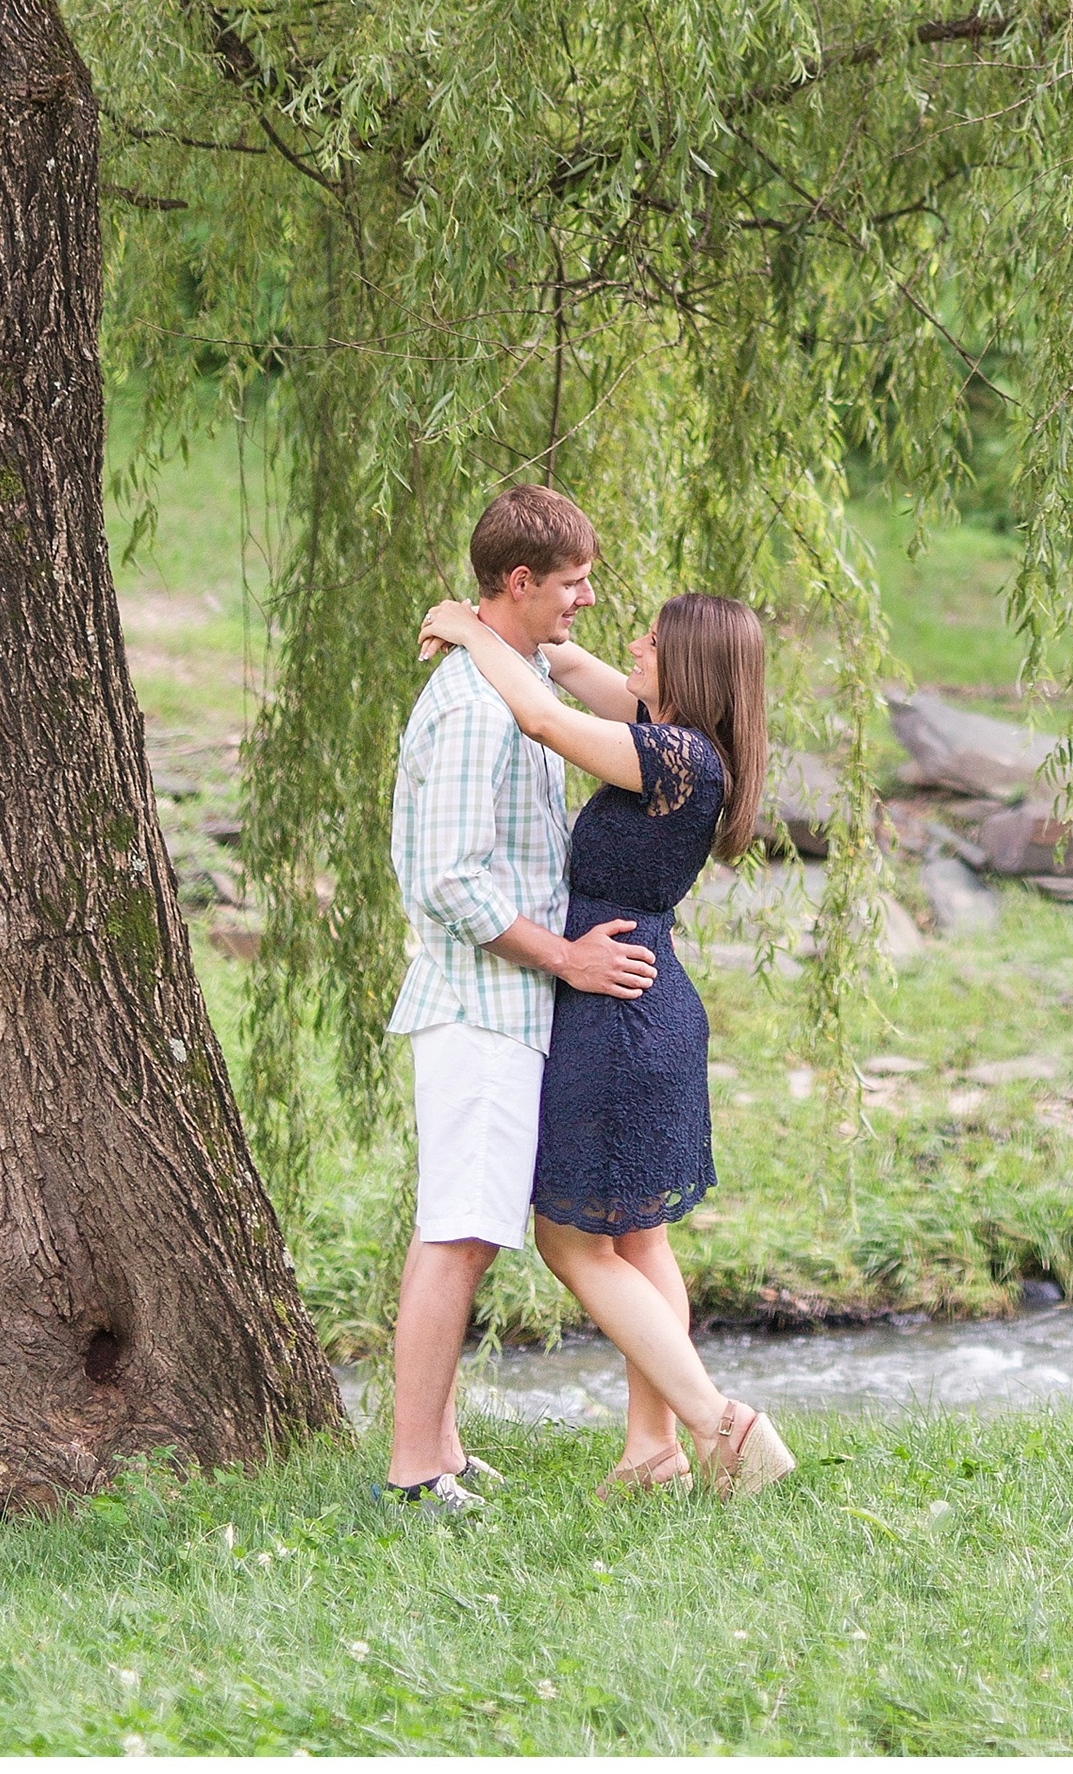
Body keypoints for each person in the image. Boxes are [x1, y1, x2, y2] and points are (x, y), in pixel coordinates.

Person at [418, 580, 796, 1498]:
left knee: (574, 1244)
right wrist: (513, 623)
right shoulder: (677, 742)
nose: (634, 641)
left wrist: (469, 628)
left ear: (690, 664)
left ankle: (723, 1427)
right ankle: (649, 1453)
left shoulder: (674, 758)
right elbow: (570, 668)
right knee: (639, 1239)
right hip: (646, 1000)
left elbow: (545, 719)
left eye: (654, 640)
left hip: (616, 1010)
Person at [384, 480, 654, 1512]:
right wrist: (569, 958)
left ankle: (439, 1443)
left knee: (475, 1223)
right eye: (574, 583)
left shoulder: (516, 673)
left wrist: (466, 624)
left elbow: (627, 708)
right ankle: (414, 1469)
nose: (588, 598)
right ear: (520, 580)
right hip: (480, 1008)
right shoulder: (468, 708)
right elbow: (450, 878)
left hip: (505, 1011)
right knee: (457, 1229)